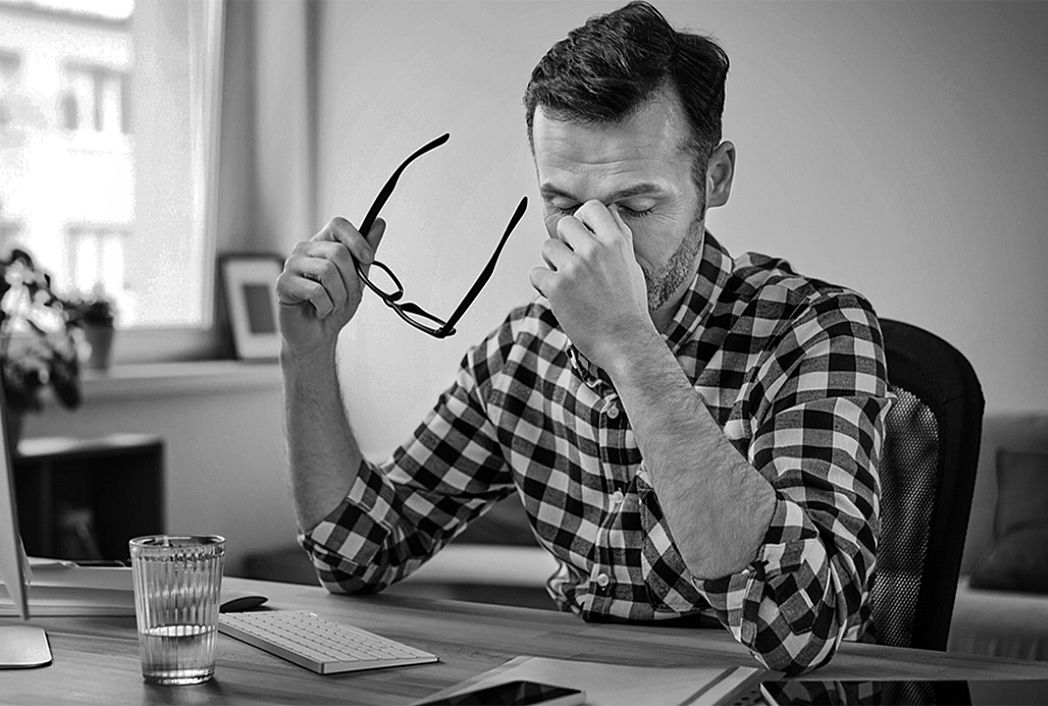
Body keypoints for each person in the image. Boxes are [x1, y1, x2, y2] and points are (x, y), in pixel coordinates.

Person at [274, 1, 891, 675]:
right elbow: (355, 552)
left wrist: (630, 346)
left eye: (635, 205)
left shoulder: (814, 332)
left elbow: (801, 628)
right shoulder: (521, 355)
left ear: (714, 178)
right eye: (564, 205)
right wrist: (309, 356)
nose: (599, 241)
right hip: (584, 679)